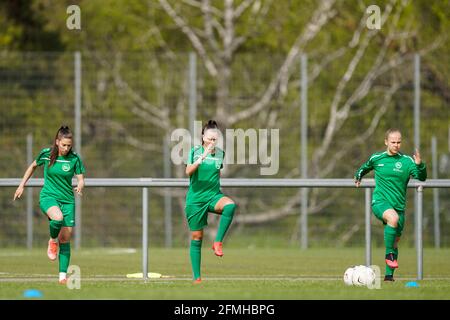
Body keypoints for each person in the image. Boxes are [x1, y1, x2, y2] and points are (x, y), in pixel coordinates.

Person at [13, 125, 85, 284]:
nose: (66, 148)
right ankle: (52, 240)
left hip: (68, 201)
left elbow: (80, 177)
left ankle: (62, 277)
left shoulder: (74, 158)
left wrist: (80, 184)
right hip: (49, 197)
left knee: (65, 238)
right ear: (57, 142)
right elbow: (32, 166)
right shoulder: (46, 154)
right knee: (57, 218)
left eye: (69, 145)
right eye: (64, 144)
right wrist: (21, 185)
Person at [354, 128, 427, 281]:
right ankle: (389, 255)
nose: (396, 145)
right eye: (393, 142)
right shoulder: (377, 158)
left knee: (394, 242)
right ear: (386, 142)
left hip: (399, 206)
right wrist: (358, 176)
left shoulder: (407, 161)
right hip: (380, 202)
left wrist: (420, 165)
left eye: (399, 142)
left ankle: (389, 277)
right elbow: (364, 168)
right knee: (392, 219)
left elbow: (422, 177)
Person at [185, 120, 237, 284]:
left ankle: (217, 242)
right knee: (196, 238)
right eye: (210, 139)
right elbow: (188, 171)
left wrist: (216, 191)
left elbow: (216, 174)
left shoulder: (220, 153)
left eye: (215, 139)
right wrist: (203, 157)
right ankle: (197, 278)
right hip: (196, 200)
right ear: (203, 137)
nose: (212, 142)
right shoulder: (195, 152)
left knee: (230, 205)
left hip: (213, 195)